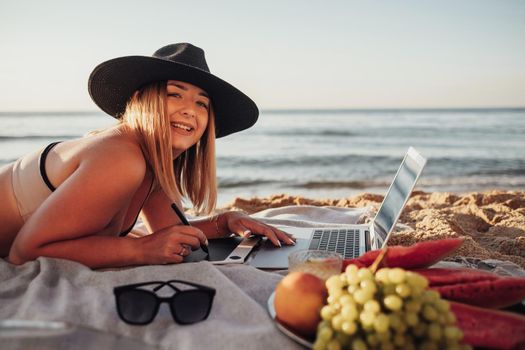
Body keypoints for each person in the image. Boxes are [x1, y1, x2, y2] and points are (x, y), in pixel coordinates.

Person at [0, 43, 295, 268]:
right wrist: (138, 250)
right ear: (142, 101)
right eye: (175, 94)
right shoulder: (121, 158)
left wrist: (226, 221)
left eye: (202, 104)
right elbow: (24, 253)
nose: (190, 110)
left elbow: (171, 232)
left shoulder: (151, 163)